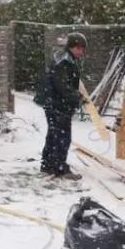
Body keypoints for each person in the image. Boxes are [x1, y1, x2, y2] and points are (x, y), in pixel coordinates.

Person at [38, 32, 87, 180]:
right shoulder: (64, 62)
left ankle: (48, 165)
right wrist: (78, 98)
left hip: (53, 102)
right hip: (57, 104)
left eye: (82, 49)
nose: (81, 52)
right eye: (79, 48)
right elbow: (62, 87)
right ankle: (60, 169)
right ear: (72, 47)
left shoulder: (63, 57)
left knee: (54, 134)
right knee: (62, 137)